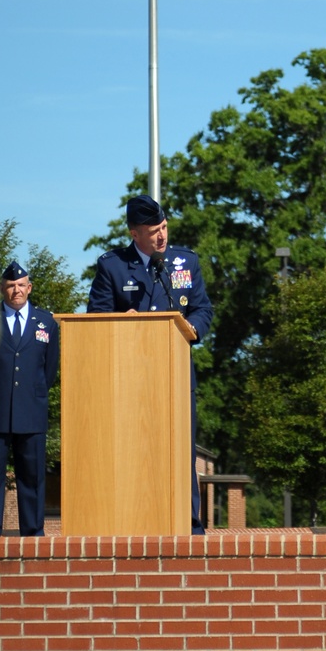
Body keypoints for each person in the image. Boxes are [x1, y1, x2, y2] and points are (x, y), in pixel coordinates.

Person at [87, 194, 213, 531]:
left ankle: (189, 523)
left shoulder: (185, 262)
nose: (162, 236)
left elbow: (202, 309)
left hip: (175, 376)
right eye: (154, 230)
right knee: (131, 451)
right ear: (134, 234)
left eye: (165, 227)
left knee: (180, 452)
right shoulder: (112, 266)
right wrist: (120, 322)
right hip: (129, 380)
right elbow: (96, 318)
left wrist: (191, 328)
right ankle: (131, 519)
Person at [0, 261, 59, 538]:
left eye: (21, 285)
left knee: (32, 478)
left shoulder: (46, 322)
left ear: (29, 288)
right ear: (2, 288)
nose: (16, 290)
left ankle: (33, 535)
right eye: (10, 285)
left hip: (31, 411)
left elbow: (49, 369)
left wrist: (32, 394)